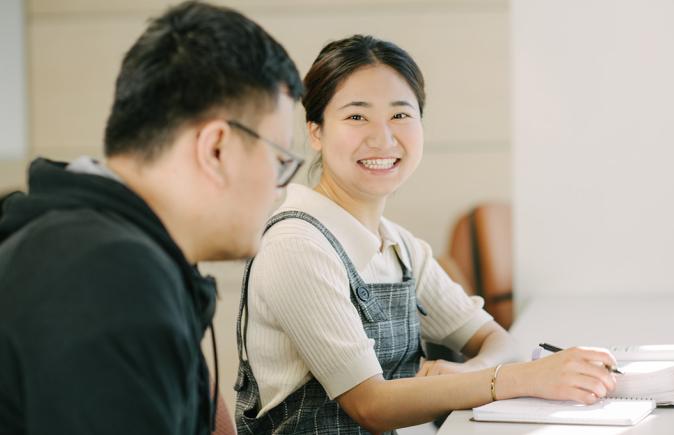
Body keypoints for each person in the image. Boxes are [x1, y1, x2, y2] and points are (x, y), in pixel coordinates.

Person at [235, 35, 618, 434]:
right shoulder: (297, 246)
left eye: (400, 115)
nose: (383, 138)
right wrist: (514, 378)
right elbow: (370, 405)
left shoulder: (400, 247)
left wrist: (477, 369)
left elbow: (497, 340)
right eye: (356, 117)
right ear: (315, 131)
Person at [0, 2, 303, 434]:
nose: (281, 189)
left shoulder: (86, 245)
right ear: (216, 148)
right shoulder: (108, 277)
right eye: (280, 161)